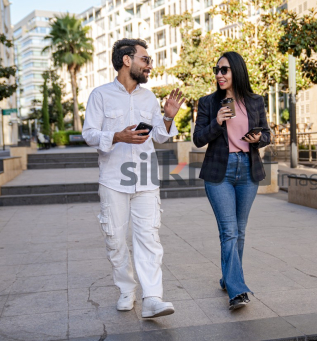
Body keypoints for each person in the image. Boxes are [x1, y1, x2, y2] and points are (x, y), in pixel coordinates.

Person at [82, 38, 185, 318]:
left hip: (146, 178)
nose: (149, 65)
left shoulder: (149, 97)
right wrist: (116, 136)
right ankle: (127, 290)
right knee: (115, 238)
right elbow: (89, 133)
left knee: (149, 237)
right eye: (145, 59)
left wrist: (167, 117)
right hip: (113, 179)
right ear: (127, 60)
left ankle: (152, 298)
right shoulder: (100, 95)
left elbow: (161, 137)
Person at [193, 51, 271, 310]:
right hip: (220, 173)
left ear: (236, 71)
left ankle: (228, 278)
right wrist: (217, 122)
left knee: (240, 231)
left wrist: (258, 138)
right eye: (217, 70)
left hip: (248, 170)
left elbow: (267, 134)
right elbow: (198, 139)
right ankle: (237, 291)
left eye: (224, 70)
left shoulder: (255, 101)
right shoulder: (208, 103)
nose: (219, 74)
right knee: (229, 232)